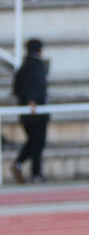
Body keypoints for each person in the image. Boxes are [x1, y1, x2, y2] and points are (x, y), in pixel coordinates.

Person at [11, 38, 49, 185]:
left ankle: (20, 165)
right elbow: (36, 85)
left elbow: (17, 88)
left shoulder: (23, 66)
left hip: (25, 112)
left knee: (34, 142)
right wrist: (32, 100)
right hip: (36, 112)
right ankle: (35, 173)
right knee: (37, 143)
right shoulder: (37, 66)